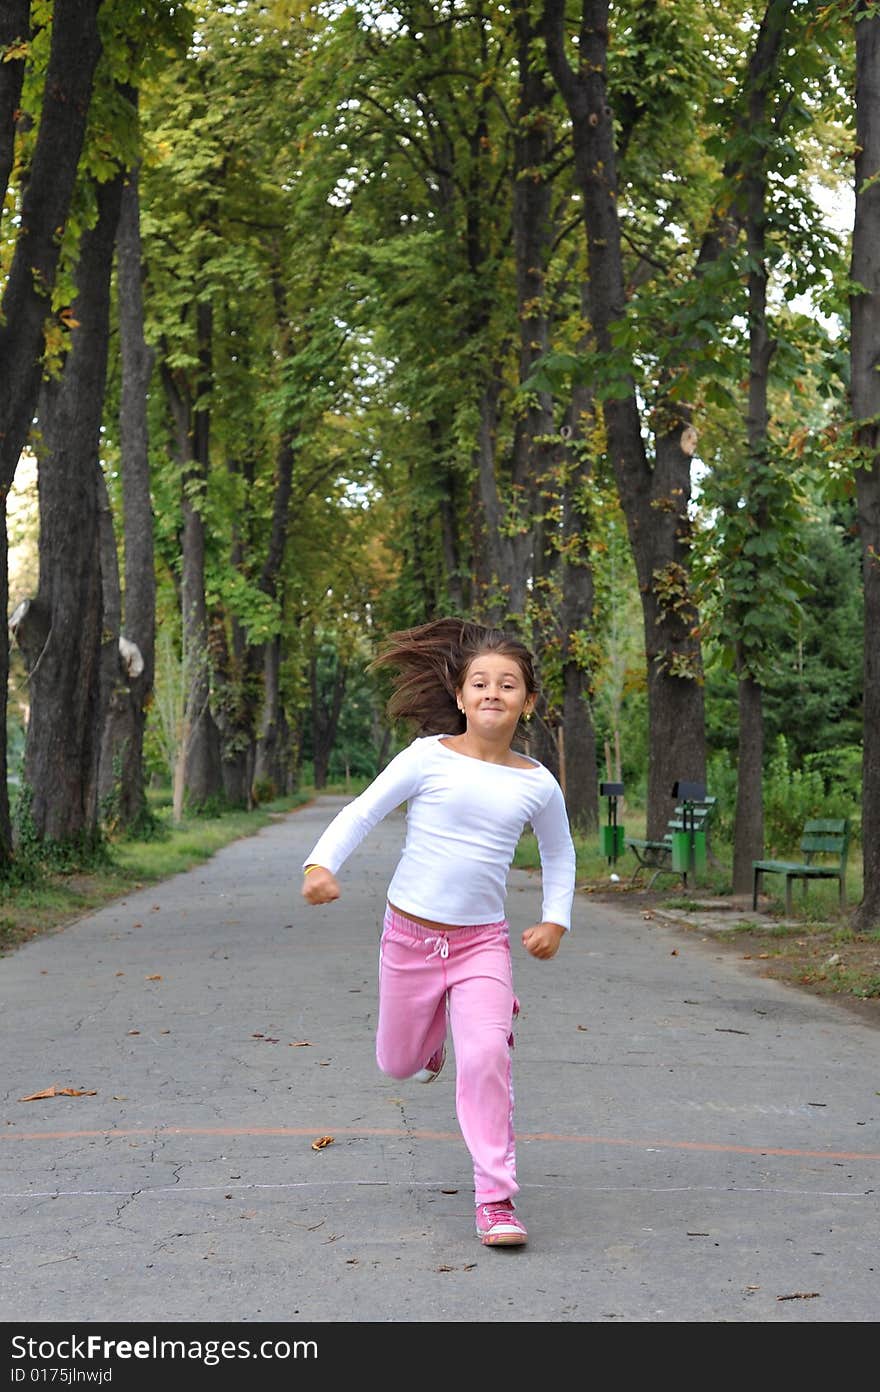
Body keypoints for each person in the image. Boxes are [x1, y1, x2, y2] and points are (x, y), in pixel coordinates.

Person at [300, 616, 576, 1248]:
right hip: (410, 941)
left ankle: (496, 1200)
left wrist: (556, 918)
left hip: (482, 945)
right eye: (480, 682)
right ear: (459, 696)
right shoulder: (427, 758)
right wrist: (320, 864)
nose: (492, 692)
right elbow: (363, 810)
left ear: (527, 701)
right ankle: (428, 1045)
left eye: (508, 684)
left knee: (485, 1057)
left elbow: (560, 856)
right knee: (396, 1064)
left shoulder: (538, 783)